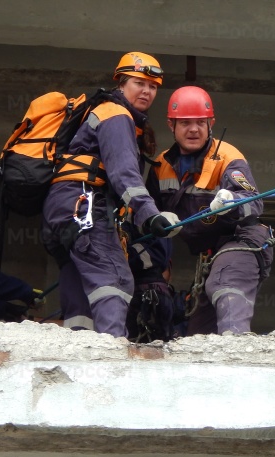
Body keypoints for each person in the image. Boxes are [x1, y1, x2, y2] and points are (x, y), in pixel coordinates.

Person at [41, 51, 180, 338]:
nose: (147, 91)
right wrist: (149, 215)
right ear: (121, 83)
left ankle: (80, 343)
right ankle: (111, 355)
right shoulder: (116, 114)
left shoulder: (100, 110)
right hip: (85, 204)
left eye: (153, 86)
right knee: (114, 278)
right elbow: (123, 175)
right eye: (139, 83)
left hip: (63, 207)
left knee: (80, 278)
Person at [147, 86, 275, 335]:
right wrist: (155, 220)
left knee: (225, 281)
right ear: (171, 125)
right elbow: (146, 210)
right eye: (185, 123)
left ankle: (236, 348)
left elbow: (255, 202)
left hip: (242, 239)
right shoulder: (161, 165)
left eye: (200, 122)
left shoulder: (228, 157)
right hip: (209, 254)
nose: (193, 129)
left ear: (211, 123)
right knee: (200, 330)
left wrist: (231, 203)